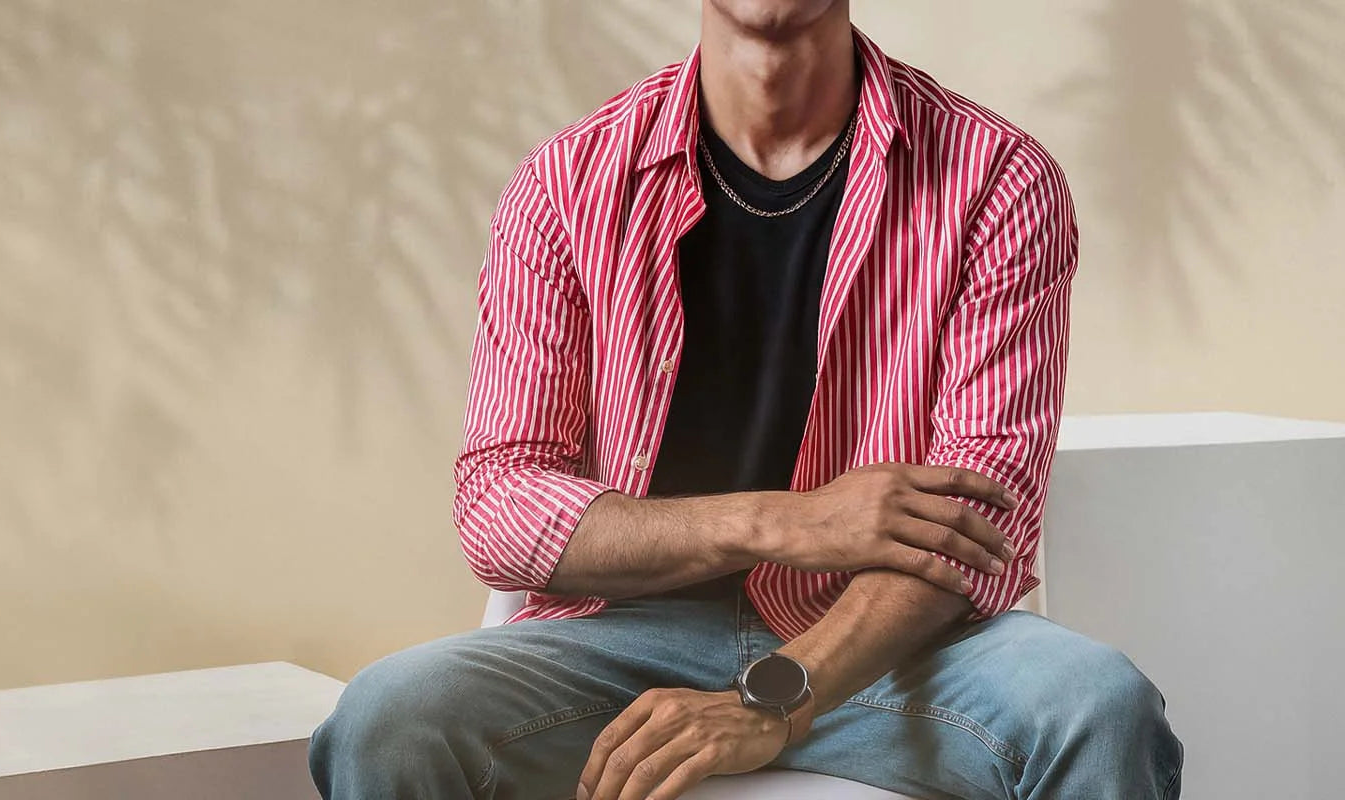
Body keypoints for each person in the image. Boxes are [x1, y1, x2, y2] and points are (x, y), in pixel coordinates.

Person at [311, 1, 1182, 798]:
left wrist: (773, 696)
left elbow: (976, 524)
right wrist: (781, 521)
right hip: (622, 640)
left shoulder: (995, 178)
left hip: (886, 645)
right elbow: (499, 505)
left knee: (1099, 709)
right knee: (389, 719)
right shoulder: (568, 183)